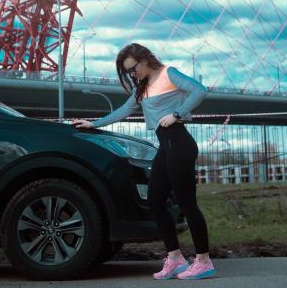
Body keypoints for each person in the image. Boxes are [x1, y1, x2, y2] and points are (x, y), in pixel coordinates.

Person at [71, 42, 216, 280]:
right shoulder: (143, 87)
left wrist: (177, 113)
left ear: (145, 60)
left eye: (133, 68)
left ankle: (203, 261)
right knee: (155, 201)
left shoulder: (169, 73)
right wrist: (93, 123)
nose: (132, 73)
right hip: (166, 147)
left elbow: (199, 90)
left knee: (187, 203)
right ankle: (176, 258)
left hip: (179, 144)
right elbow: (124, 110)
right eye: (128, 71)